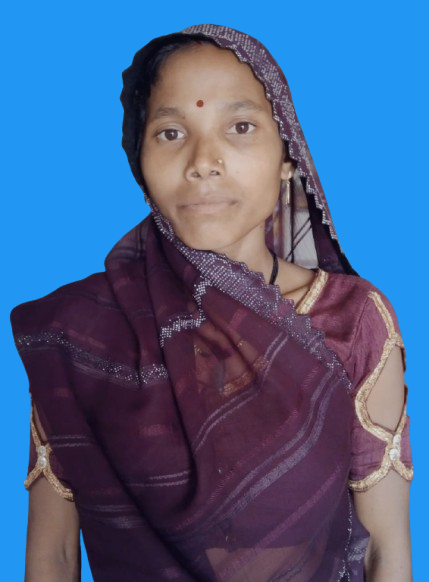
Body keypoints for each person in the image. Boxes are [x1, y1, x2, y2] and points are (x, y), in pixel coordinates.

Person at [11, 24, 413, 582]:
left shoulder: (351, 321)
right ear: (139, 161)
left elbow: (383, 551)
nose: (203, 161)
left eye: (240, 127)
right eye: (171, 132)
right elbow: (53, 556)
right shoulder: (82, 333)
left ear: (288, 157)